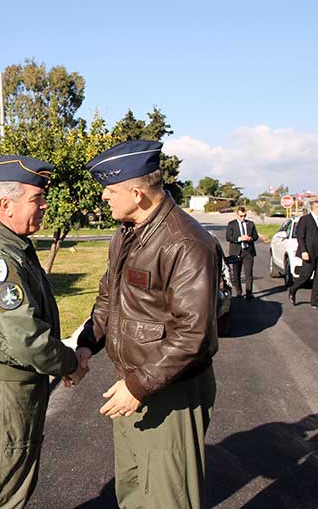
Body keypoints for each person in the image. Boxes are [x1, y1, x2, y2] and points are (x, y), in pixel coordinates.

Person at [76, 140, 219, 509]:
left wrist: (138, 387)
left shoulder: (185, 242)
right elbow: (110, 296)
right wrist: (86, 345)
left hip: (168, 388)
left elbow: (193, 335)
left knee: (167, 496)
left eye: (110, 191)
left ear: (138, 193)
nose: (104, 198)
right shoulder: (127, 231)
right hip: (134, 382)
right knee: (135, 488)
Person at [0, 155, 87, 508]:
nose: (45, 205)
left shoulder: (12, 244)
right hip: (5, 391)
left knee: (7, 482)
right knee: (1, 493)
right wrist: (70, 364)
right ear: (5, 204)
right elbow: (26, 337)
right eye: (36, 199)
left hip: (12, 386)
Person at [288, 200, 318, 309]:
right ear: (315, 208)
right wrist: (303, 251)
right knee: (306, 276)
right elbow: (300, 236)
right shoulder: (305, 219)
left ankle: (316, 301)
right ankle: (293, 289)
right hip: (309, 252)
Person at [225, 206, 259, 299]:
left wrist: (250, 238)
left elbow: (256, 236)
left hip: (248, 251)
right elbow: (228, 237)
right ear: (237, 215)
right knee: (236, 273)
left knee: (249, 273)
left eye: (244, 216)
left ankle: (249, 293)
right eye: (241, 216)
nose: (243, 218)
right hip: (236, 252)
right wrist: (240, 239)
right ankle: (239, 292)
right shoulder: (231, 224)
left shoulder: (250, 224)